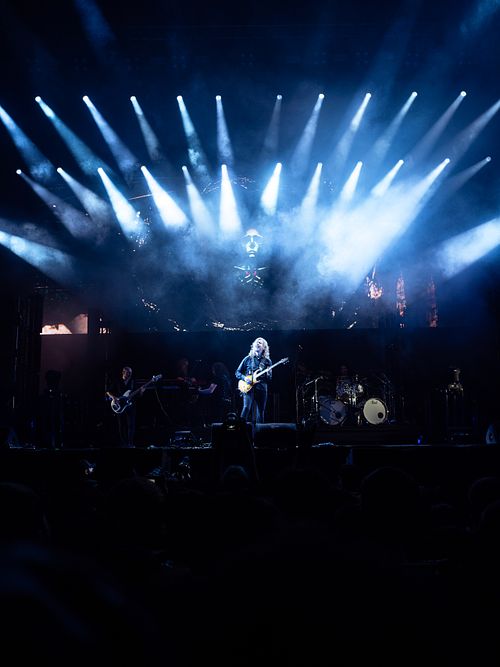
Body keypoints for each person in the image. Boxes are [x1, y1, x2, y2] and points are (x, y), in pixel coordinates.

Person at [235, 337, 272, 424]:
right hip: (248, 388)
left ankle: (260, 431)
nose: (258, 343)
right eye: (256, 342)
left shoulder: (267, 361)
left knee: (261, 412)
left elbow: (269, 378)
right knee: (246, 408)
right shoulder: (248, 359)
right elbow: (237, 372)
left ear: (264, 347)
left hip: (262, 388)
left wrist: (268, 374)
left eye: (260, 343)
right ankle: (241, 428)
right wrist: (245, 378)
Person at [106, 366, 145, 447]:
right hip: (120, 406)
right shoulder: (117, 381)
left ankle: (130, 443)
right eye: (128, 373)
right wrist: (114, 398)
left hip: (131, 406)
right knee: (122, 425)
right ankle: (123, 443)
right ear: (123, 372)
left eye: (130, 373)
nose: (129, 374)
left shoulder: (133, 382)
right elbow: (108, 391)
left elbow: (138, 395)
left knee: (131, 425)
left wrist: (141, 392)